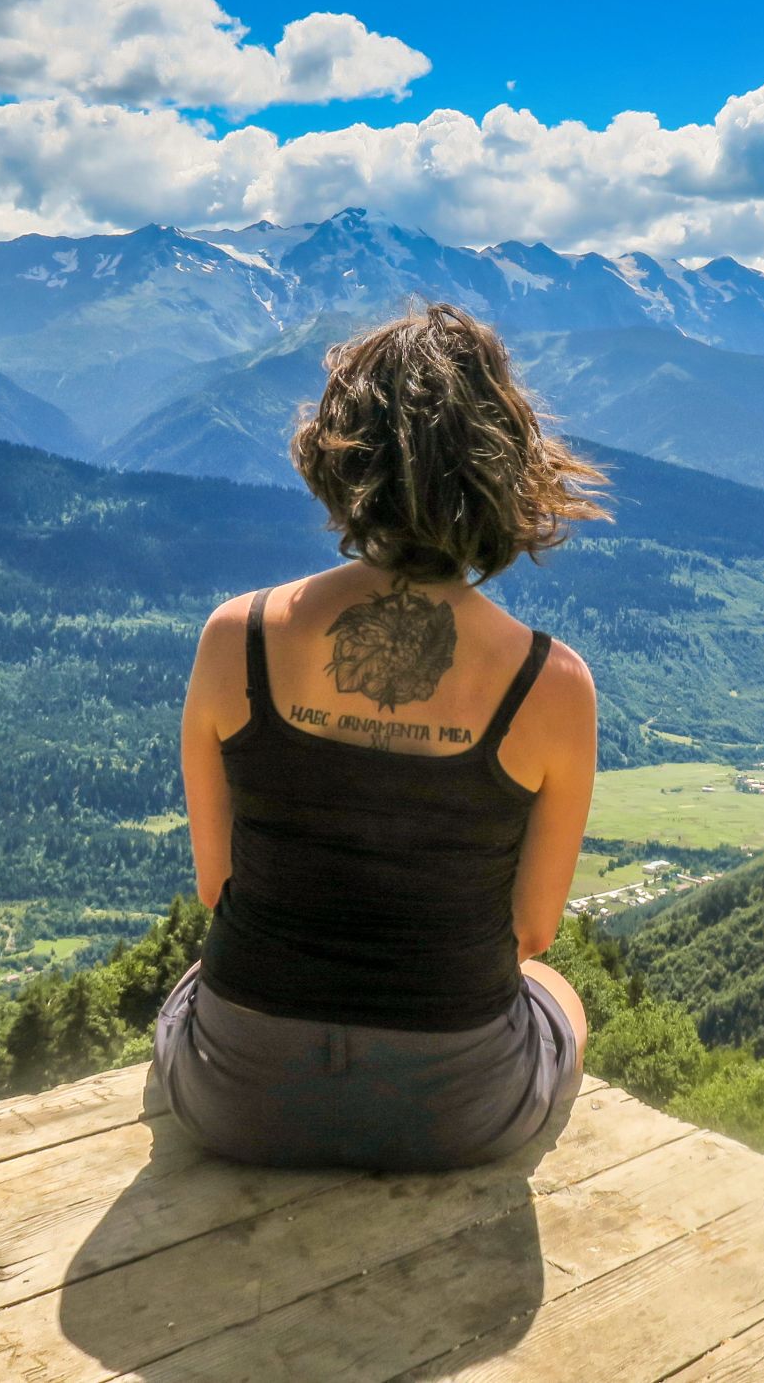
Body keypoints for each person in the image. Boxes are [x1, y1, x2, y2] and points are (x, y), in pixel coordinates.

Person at [152, 303, 610, 1171]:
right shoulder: (552, 685)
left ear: (339, 457)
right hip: (457, 1110)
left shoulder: (235, 637)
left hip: (237, 1099)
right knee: (559, 996)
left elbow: (221, 885)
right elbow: (534, 930)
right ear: (502, 468)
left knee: (190, 990)